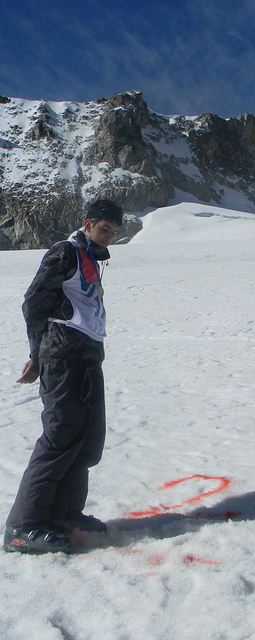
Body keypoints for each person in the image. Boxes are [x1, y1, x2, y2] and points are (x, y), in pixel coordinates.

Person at [4, 200, 123, 554]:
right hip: (62, 356)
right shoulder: (65, 253)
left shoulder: (89, 258)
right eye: (105, 229)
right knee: (59, 437)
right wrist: (36, 354)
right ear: (88, 224)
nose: (110, 238)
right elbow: (35, 302)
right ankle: (24, 526)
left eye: (115, 233)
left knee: (87, 438)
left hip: (87, 356)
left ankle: (65, 512)